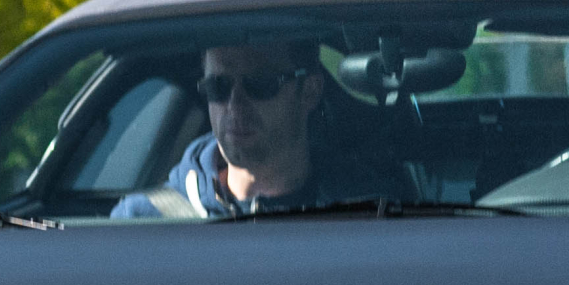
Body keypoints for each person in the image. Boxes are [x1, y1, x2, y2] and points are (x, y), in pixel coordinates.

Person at [114, 38, 394, 218]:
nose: (235, 105)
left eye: (261, 84)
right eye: (218, 87)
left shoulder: (371, 213)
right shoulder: (143, 221)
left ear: (309, 91)